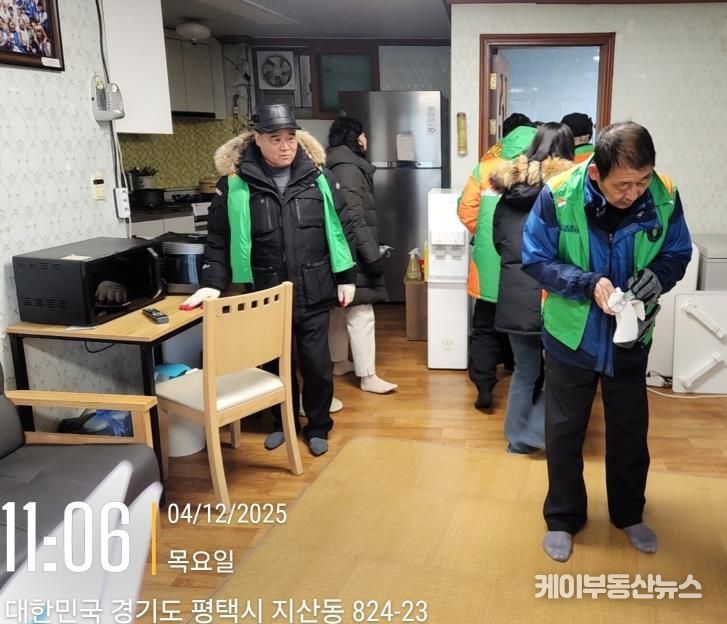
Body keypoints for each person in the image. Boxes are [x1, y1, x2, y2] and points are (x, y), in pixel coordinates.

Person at [521, 121, 692, 562]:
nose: (634, 193)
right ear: (596, 173)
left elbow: (677, 252)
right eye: (623, 185)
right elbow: (536, 259)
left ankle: (629, 513)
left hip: (631, 337)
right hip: (570, 335)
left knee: (630, 431)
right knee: (564, 432)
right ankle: (563, 518)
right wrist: (585, 281)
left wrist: (658, 277)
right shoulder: (559, 195)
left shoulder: (665, 194)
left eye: (642, 181)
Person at [181, 103, 357, 457]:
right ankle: (282, 423)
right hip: (265, 291)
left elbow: (342, 227)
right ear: (257, 139)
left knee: (317, 366)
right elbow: (218, 239)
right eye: (276, 138)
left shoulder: (319, 177)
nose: (285, 146)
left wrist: (346, 277)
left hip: (313, 287)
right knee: (275, 365)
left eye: (290, 137)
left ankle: (318, 425)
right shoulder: (234, 184)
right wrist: (212, 282)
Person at [490, 122, 574, 453]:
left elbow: (499, 240)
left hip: (515, 290)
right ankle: (539, 431)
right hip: (553, 292)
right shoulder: (566, 191)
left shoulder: (508, 189)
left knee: (525, 370)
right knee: (563, 371)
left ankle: (516, 439)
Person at [457, 113, 536, 409]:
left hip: (489, 261)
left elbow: (466, 211)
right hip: (529, 264)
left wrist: (485, 235)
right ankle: (527, 386)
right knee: (528, 328)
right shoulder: (544, 168)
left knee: (485, 325)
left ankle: (483, 386)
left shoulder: (486, 167)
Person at [325, 116, 397, 394]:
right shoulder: (349, 169)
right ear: (354, 137)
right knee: (362, 311)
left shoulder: (336, 163)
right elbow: (354, 217)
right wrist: (371, 255)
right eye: (363, 134)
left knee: (341, 307)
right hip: (353, 252)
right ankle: (368, 377)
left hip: (342, 251)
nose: (366, 139)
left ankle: (339, 362)